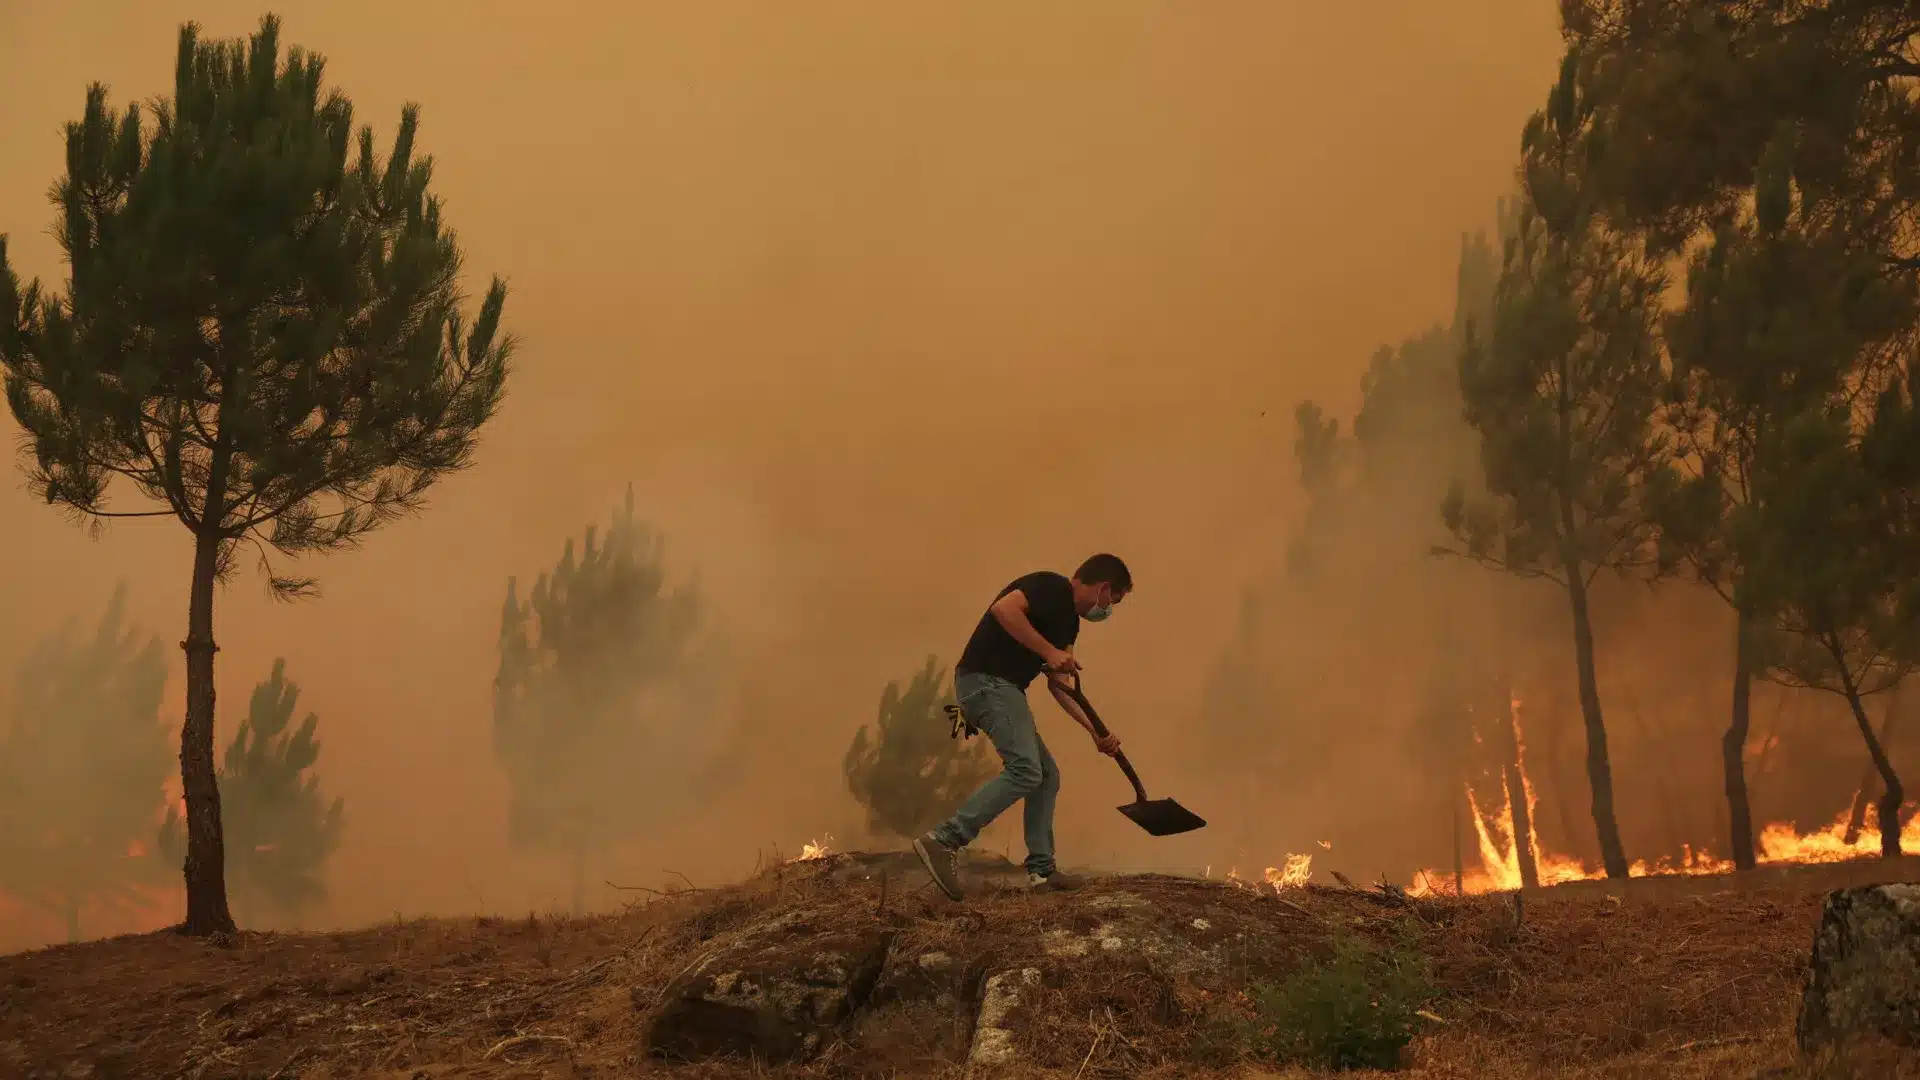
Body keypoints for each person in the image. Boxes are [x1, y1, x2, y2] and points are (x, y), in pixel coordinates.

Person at [913, 554, 1132, 901]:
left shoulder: (1070, 625)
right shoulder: (1050, 586)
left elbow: (1061, 683)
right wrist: (1047, 650)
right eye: (1114, 600)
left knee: (1046, 776)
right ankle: (943, 840)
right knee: (1026, 770)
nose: (1109, 610)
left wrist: (1095, 732)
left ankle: (1042, 871)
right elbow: (1004, 610)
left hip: (1005, 688)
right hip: (985, 682)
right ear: (1104, 589)